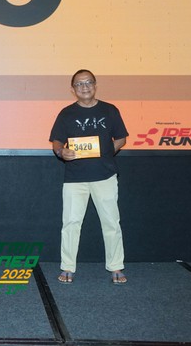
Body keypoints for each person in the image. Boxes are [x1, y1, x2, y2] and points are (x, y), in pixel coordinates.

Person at [49, 69, 128, 284]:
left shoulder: (110, 110)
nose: (84, 87)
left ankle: (116, 266)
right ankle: (67, 267)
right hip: (75, 178)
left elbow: (121, 138)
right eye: (79, 84)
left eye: (88, 82)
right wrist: (61, 151)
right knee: (71, 223)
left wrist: (106, 152)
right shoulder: (66, 114)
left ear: (95, 85)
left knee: (111, 222)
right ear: (73, 89)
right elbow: (56, 141)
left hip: (105, 175)